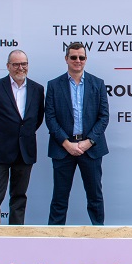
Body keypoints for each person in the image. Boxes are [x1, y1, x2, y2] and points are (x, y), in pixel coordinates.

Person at [45, 41, 109, 225]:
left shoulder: (98, 84)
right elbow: (50, 118)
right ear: (66, 59)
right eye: (73, 57)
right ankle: (54, 238)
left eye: (81, 57)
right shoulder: (54, 85)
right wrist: (66, 143)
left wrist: (88, 142)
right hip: (63, 148)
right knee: (59, 198)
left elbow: (103, 117)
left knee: (95, 197)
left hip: (91, 148)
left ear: (86, 59)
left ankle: (99, 236)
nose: (77, 60)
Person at [0, 49, 45, 225]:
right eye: (16, 64)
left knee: (19, 198)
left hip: (24, 152)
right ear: (8, 66)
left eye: (23, 64)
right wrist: (0, 137)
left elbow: (36, 119)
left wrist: (22, 136)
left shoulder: (37, 89)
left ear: (28, 65)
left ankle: (16, 237)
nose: (20, 68)